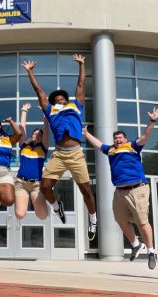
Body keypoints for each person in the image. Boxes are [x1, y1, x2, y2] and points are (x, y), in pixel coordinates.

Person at [22, 54, 97, 241]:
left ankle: (93, 219)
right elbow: (38, 91)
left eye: (63, 97)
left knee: (86, 190)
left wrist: (82, 64)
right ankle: (57, 207)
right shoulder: (50, 109)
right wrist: (30, 72)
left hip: (76, 154)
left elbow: (80, 85)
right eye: (58, 98)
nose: (61, 99)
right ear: (54, 101)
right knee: (45, 187)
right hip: (59, 155)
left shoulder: (76, 105)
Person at [83, 107, 158, 270]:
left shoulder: (133, 146)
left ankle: (151, 251)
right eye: (116, 138)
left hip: (137, 188)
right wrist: (86, 134)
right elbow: (98, 145)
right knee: (120, 220)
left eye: (120, 138)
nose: (118, 140)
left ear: (125, 139)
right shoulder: (111, 150)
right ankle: (135, 244)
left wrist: (152, 121)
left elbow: (145, 136)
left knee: (142, 221)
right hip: (119, 191)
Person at [14, 103, 49, 220]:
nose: (37, 135)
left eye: (39, 135)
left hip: (36, 185)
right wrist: (24, 111)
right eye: (35, 133)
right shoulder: (24, 146)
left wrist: (45, 113)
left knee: (43, 216)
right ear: (31, 135)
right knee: (20, 214)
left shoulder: (43, 148)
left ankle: (45, 202)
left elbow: (46, 128)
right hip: (21, 183)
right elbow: (22, 127)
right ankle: (18, 200)